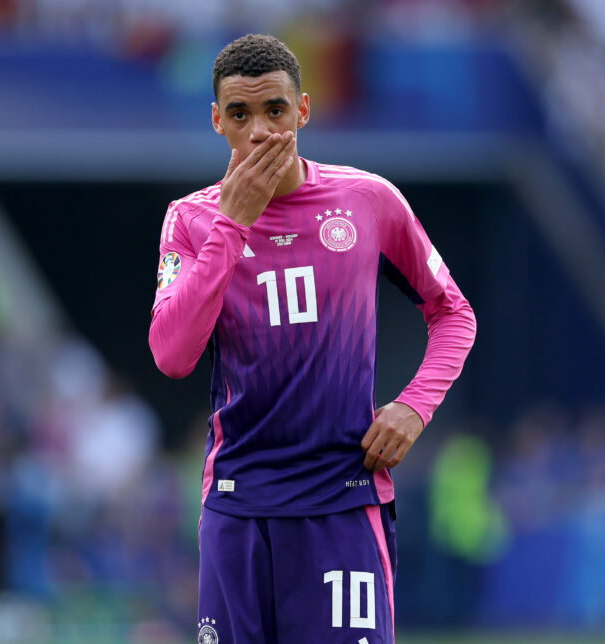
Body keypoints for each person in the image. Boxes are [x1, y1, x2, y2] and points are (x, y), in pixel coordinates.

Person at [148, 34, 476, 643]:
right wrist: (232, 224)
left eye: (274, 109)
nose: (259, 131)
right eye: (240, 115)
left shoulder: (367, 201)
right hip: (238, 505)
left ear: (303, 109)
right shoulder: (191, 221)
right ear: (218, 121)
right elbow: (172, 354)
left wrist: (413, 406)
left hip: (341, 500)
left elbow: (453, 313)